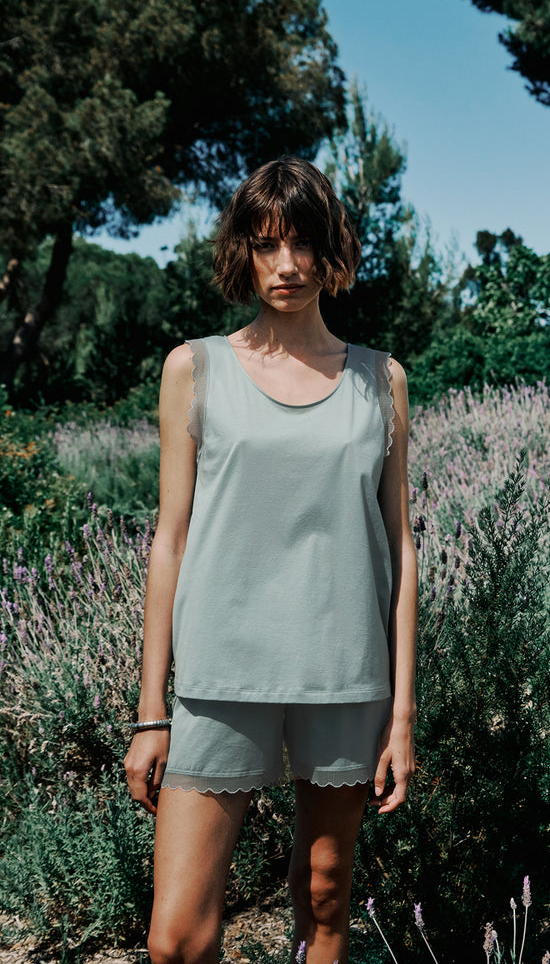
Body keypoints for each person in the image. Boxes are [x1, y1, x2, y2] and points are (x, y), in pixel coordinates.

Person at [124, 156, 417, 963]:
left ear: (331, 251)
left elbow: (400, 546)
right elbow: (170, 540)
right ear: (243, 254)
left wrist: (401, 715)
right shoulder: (194, 369)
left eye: (302, 243)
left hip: (346, 677)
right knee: (176, 940)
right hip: (220, 679)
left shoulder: (382, 380)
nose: (286, 265)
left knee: (324, 898)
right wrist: (152, 713)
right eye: (265, 245)